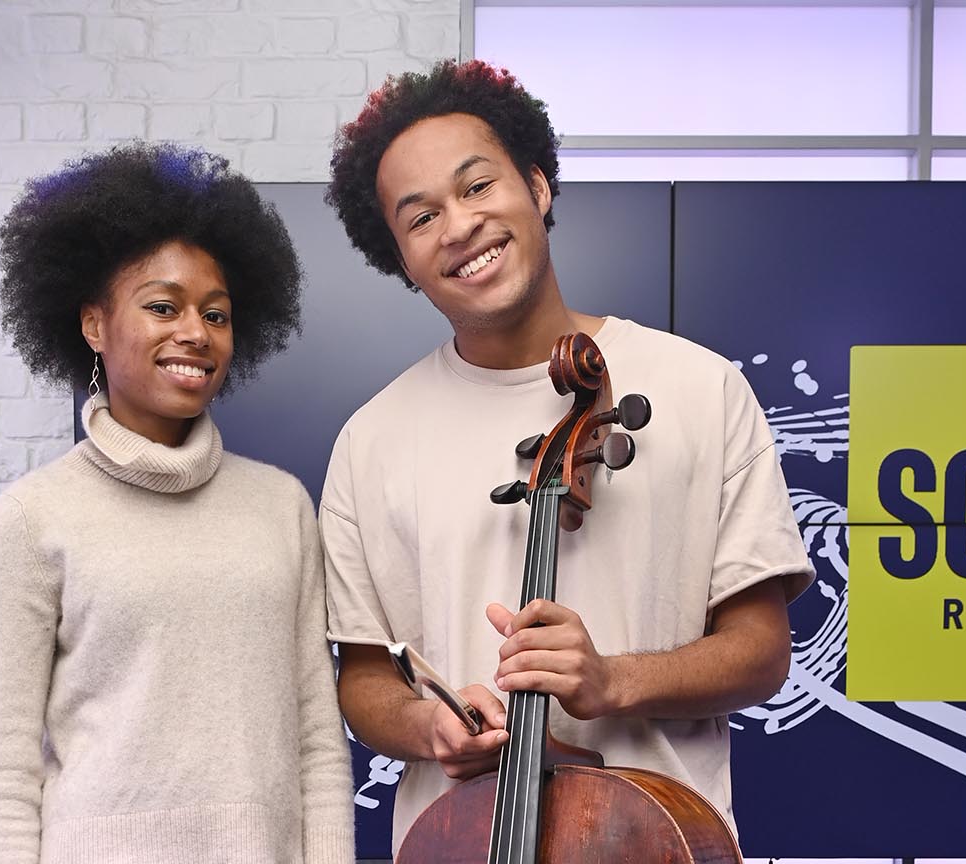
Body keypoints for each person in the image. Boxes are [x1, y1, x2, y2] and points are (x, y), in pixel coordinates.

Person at [319, 59, 815, 851]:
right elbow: (366, 674)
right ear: (403, 264)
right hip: (457, 842)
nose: (458, 226)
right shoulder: (370, 441)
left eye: (478, 186)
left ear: (539, 189)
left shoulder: (702, 387)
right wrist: (428, 726)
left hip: (653, 844)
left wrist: (612, 679)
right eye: (421, 218)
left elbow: (761, 652)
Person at [0, 142, 354, 863]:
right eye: (161, 306)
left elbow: (316, 740)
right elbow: (7, 767)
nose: (194, 333)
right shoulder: (32, 517)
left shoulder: (280, 506)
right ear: (93, 325)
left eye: (216, 314)